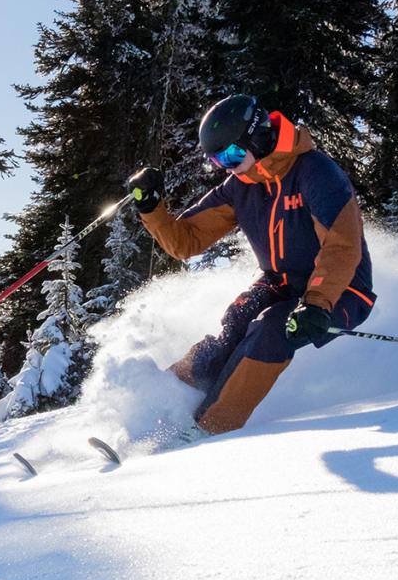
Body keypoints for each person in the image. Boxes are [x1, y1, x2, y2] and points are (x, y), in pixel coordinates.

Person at [126, 94, 376, 434]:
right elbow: (185, 242)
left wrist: (317, 303)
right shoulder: (241, 186)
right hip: (281, 282)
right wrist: (152, 208)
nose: (227, 166)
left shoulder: (315, 171)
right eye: (218, 160)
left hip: (340, 289)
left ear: (258, 136)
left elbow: (342, 247)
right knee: (234, 327)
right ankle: (154, 405)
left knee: (271, 329)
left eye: (231, 154)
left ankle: (205, 431)